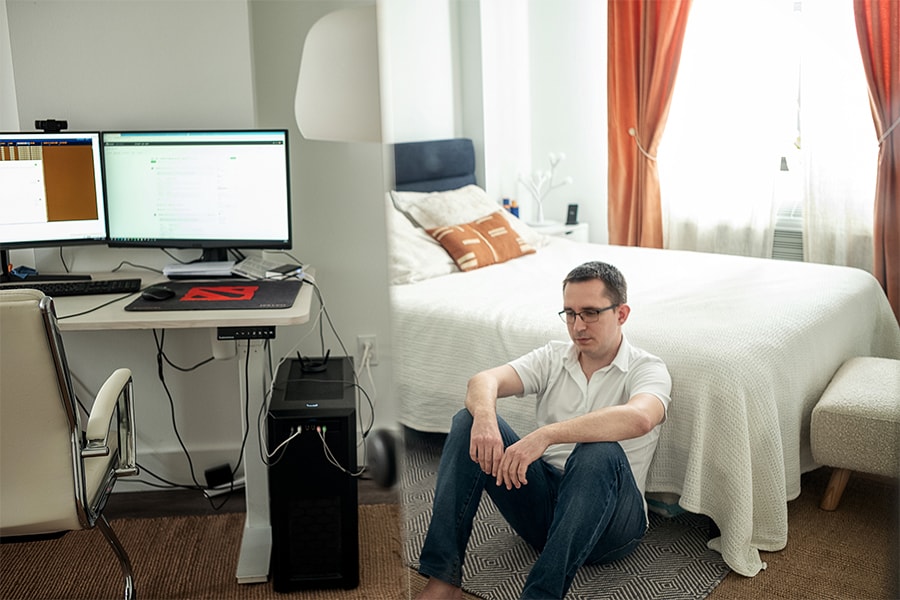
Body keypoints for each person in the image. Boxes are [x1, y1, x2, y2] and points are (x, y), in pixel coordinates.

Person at [415, 261, 672, 600]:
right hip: (544, 512)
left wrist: (546, 435)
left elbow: (640, 418)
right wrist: (486, 419)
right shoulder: (553, 356)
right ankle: (443, 581)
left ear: (621, 314)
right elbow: (484, 380)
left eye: (591, 312)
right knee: (468, 420)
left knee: (598, 449)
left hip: (611, 526)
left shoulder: (648, 368)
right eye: (569, 313)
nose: (578, 325)